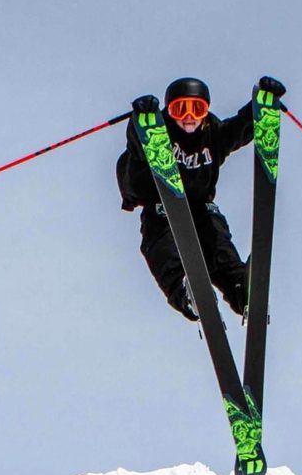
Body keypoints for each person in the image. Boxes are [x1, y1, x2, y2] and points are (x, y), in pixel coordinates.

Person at [116, 76, 286, 321]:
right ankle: (186, 292)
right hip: (161, 208)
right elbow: (136, 148)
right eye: (179, 109)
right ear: (169, 111)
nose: (188, 117)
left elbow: (239, 129)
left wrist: (262, 105)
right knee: (164, 250)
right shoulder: (160, 131)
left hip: (201, 207)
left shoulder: (213, 133)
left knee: (218, 243)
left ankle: (240, 288)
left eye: (197, 109)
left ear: (206, 110)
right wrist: (141, 122)